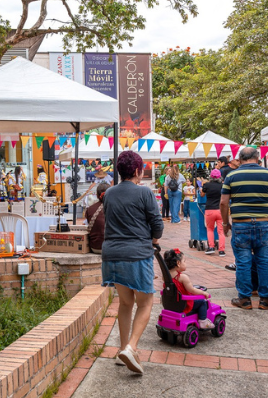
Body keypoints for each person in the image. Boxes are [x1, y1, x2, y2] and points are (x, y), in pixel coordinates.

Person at [102, 151, 163, 375]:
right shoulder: (144, 192)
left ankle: (121, 350)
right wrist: (155, 236)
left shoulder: (108, 193)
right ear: (138, 171)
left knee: (125, 303)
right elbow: (157, 223)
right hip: (137, 254)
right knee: (146, 302)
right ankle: (131, 347)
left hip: (112, 255)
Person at [221, 146, 268, 310]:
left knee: (243, 263)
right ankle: (265, 299)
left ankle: (244, 299)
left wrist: (225, 223)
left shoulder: (231, 175)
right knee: (264, 263)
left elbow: (223, 202)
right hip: (264, 223)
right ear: (258, 158)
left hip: (241, 223)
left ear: (240, 159)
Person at [163, 249, 213, 329]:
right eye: (184, 261)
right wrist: (203, 293)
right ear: (178, 263)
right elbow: (192, 290)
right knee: (203, 302)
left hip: (171, 304)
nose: (185, 263)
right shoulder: (183, 277)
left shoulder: (165, 277)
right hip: (184, 305)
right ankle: (203, 321)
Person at [201, 169, 225, 256]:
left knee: (210, 229)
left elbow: (202, 195)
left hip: (209, 209)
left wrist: (202, 188)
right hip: (220, 210)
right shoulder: (222, 186)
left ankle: (211, 247)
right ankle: (221, 250)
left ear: (210, 176)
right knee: (221, 231)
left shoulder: (207, 185)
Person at [85, 182, 109, 254]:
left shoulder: (90, 209)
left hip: (94, 247)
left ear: (97, 195)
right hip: (110, 248)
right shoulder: (115, 207)